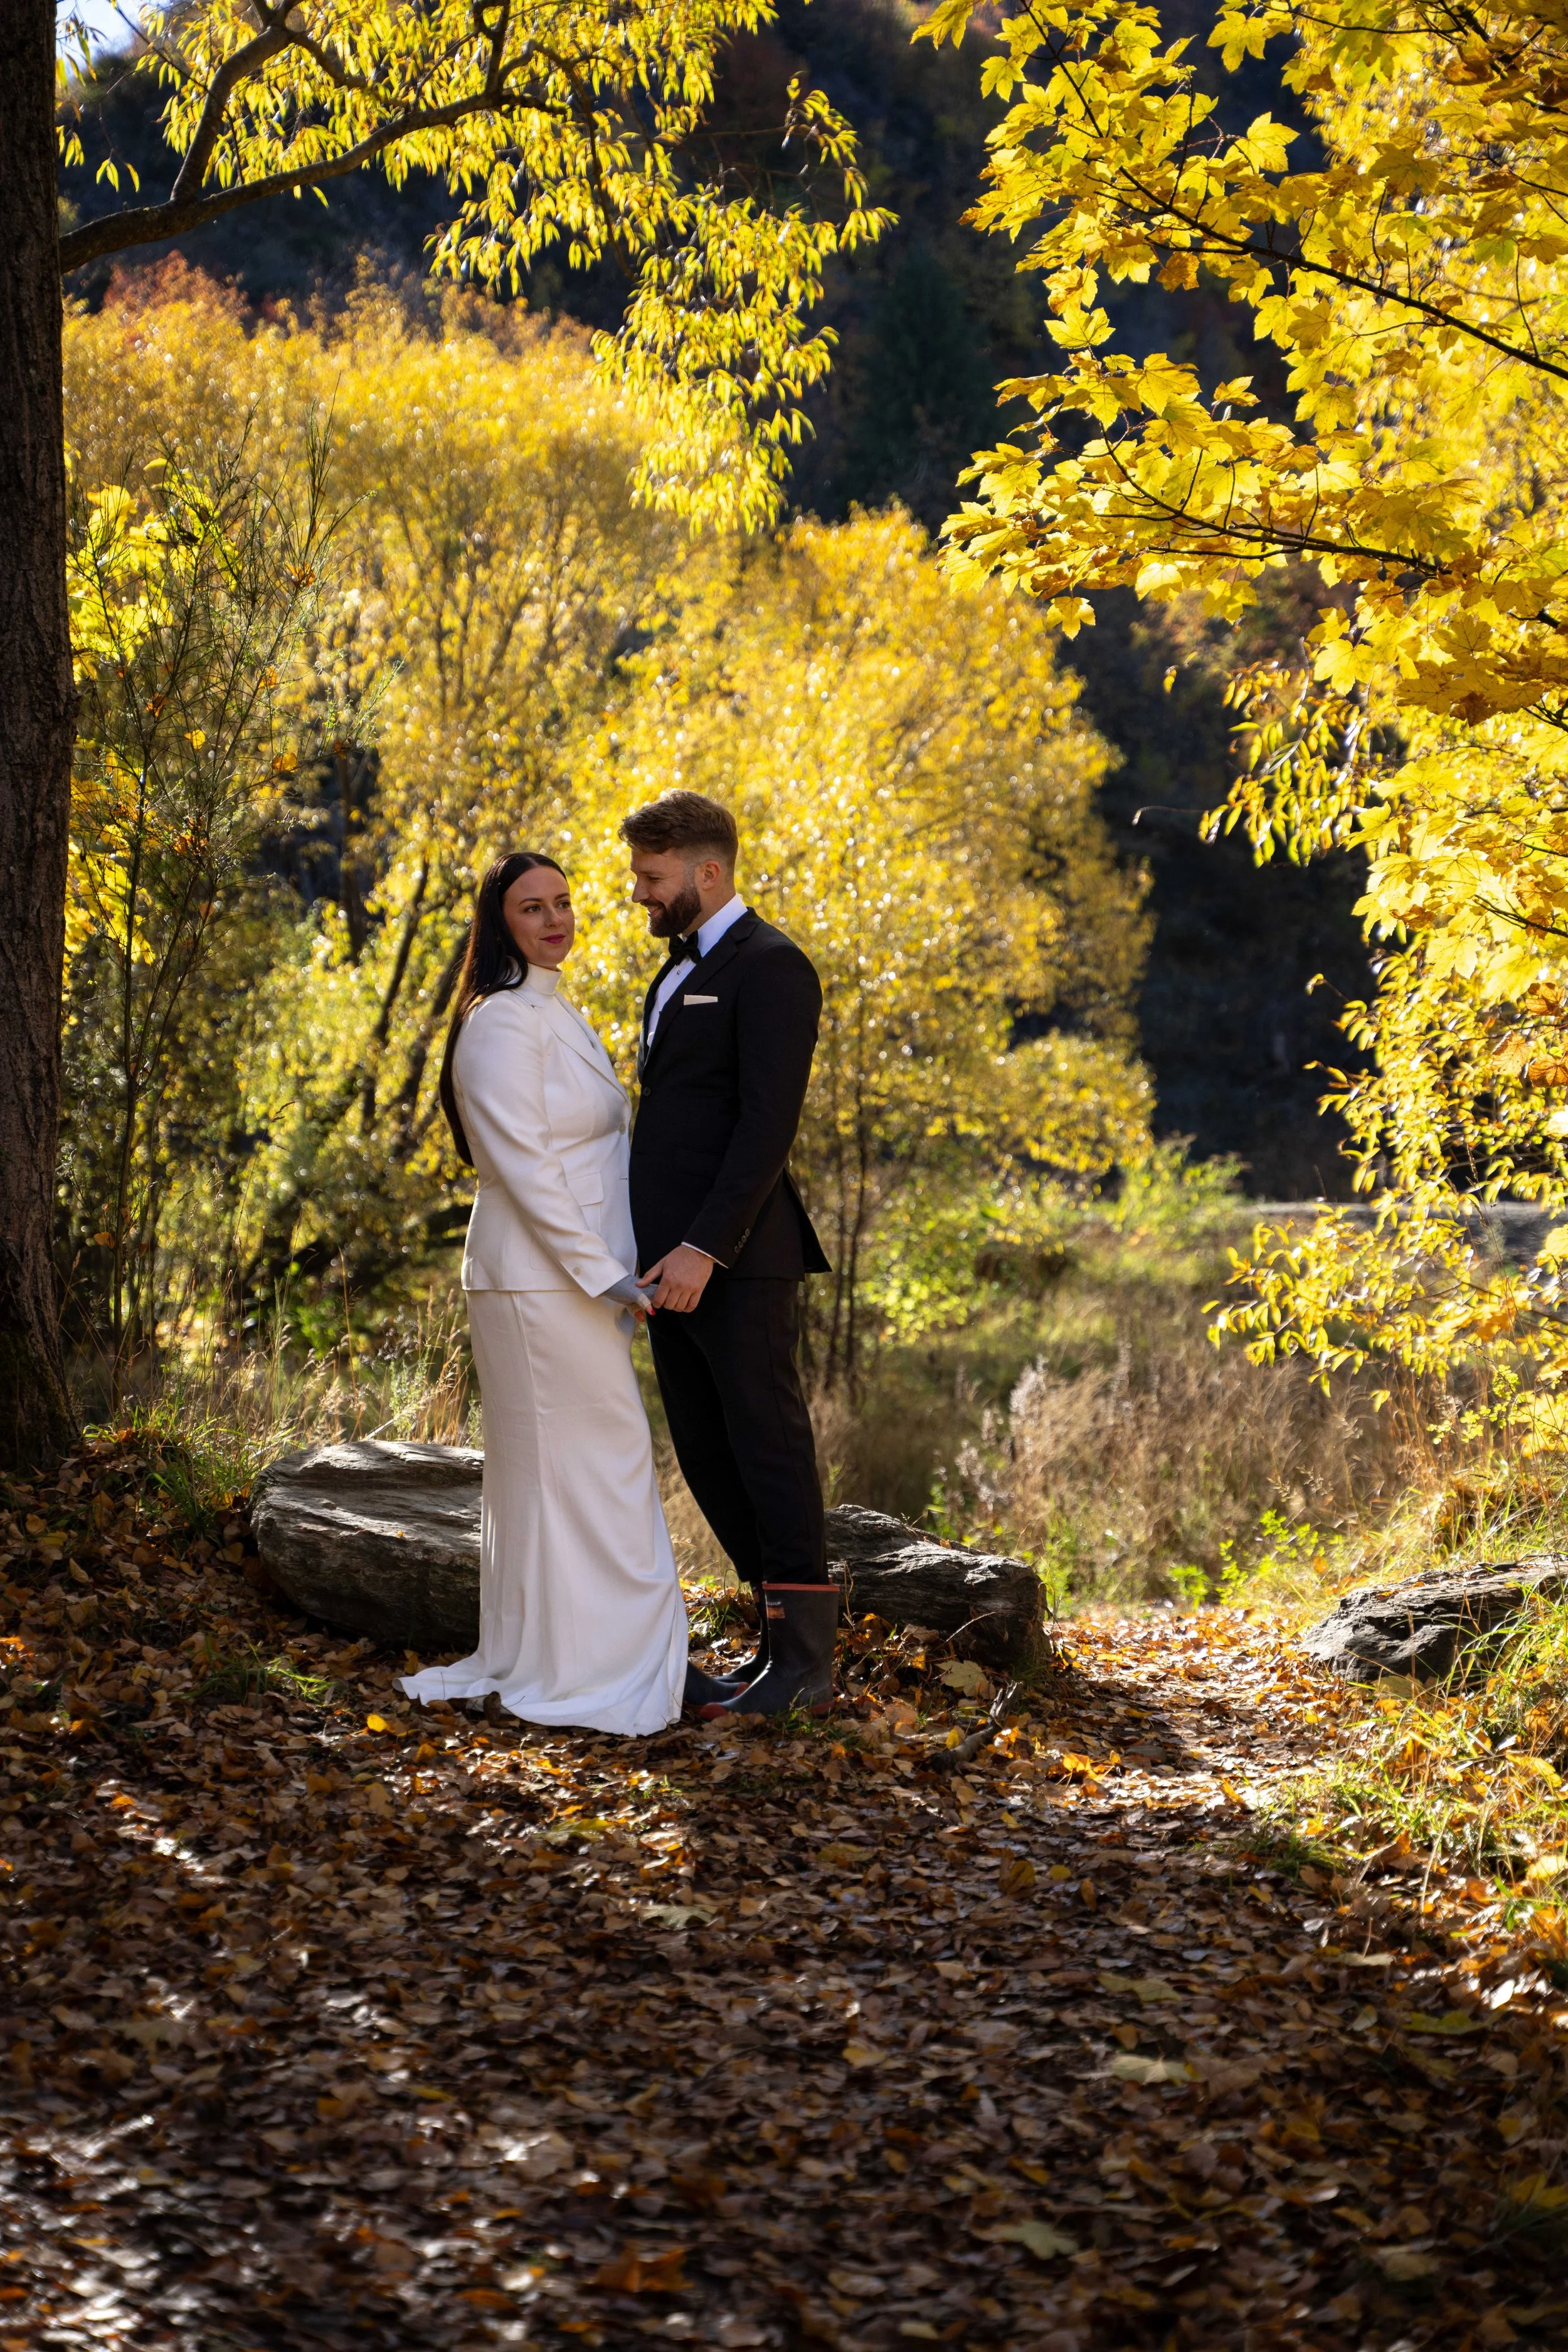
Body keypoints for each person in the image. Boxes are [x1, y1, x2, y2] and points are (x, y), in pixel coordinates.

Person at [400, 851, 687, 1736]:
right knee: (590, 1463)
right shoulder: (497, 1024)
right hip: (534, 1278)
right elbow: (525, 1168)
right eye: (534, 907)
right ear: (501, 921)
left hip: (578, 1277)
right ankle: (584, 1664)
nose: (556, 919)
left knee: (573, 1471)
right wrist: (603, 1273)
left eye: (563, 902)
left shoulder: (557, 1011)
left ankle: (574, 1654)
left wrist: (621, 1266)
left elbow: (600, 1162)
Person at [622, 791, 838, 1718]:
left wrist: (705, 1247)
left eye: (653, 876)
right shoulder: (670, 976)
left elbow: (765, 1128)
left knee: (769, 1449)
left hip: (736, 1263)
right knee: (709, 1459)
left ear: (708, 872)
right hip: (662, 1274)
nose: (640, 893)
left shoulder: (776, 967)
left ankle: (808, 1666)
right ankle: (773, 1648)